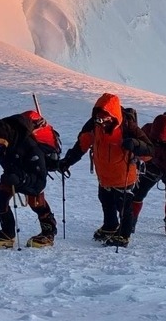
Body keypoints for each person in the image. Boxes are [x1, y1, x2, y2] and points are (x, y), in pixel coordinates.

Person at [59, 93, 153, 248]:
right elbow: (81, 146)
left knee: (124, 207)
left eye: (104, 119)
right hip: (104, 176)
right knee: (105, 200)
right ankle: (110, 226)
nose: (101, 123)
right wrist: (67, 162)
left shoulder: (128, 127)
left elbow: (149, 151)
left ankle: (123, 235)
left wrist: (135, 144)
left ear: (113, 116)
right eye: (98, 119)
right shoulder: (93, 126)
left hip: (124, 176)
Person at [0, 110, 58, 248]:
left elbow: (39, 181)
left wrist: (21, 180)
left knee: (36, 204)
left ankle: (48, 233)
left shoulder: (30, 147)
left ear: (6, 141)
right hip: (10, 174)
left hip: (29, 175)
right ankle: (8, 234)